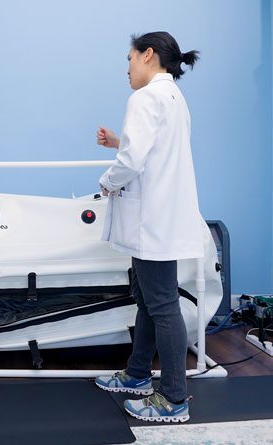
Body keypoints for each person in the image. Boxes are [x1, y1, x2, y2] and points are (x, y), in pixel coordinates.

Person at [94, 32, 202, 423]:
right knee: (147, 298)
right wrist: (120, 144)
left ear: (148, 55)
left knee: (161, 305)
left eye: (129, 59)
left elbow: (133, 161)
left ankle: (174, 398)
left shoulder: (144, 97)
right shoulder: (173, 97)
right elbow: (154, 150)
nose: (127, 68)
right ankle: (138, 374)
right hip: (162, 216)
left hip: (153, 220)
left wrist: (107, 181)